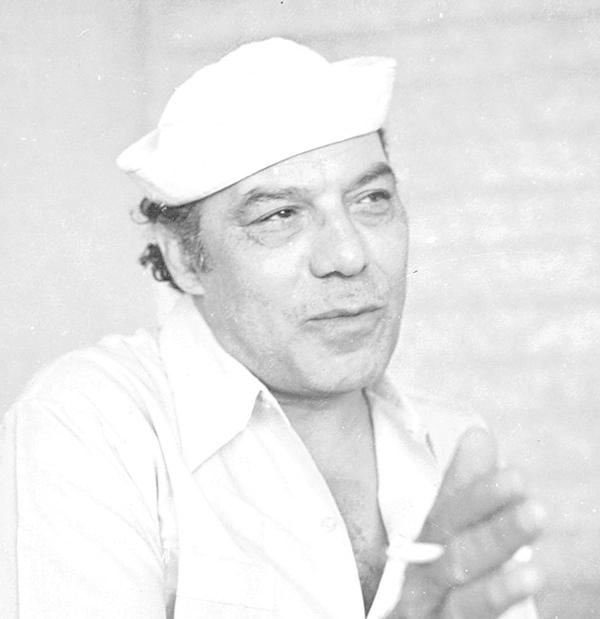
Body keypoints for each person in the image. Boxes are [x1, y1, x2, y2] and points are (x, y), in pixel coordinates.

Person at [0, 38, 545, 618]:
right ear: (184, 259)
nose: (348, 255)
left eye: (371, 199)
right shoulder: (91, 425)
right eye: (281, 215)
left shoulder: (453, 440)